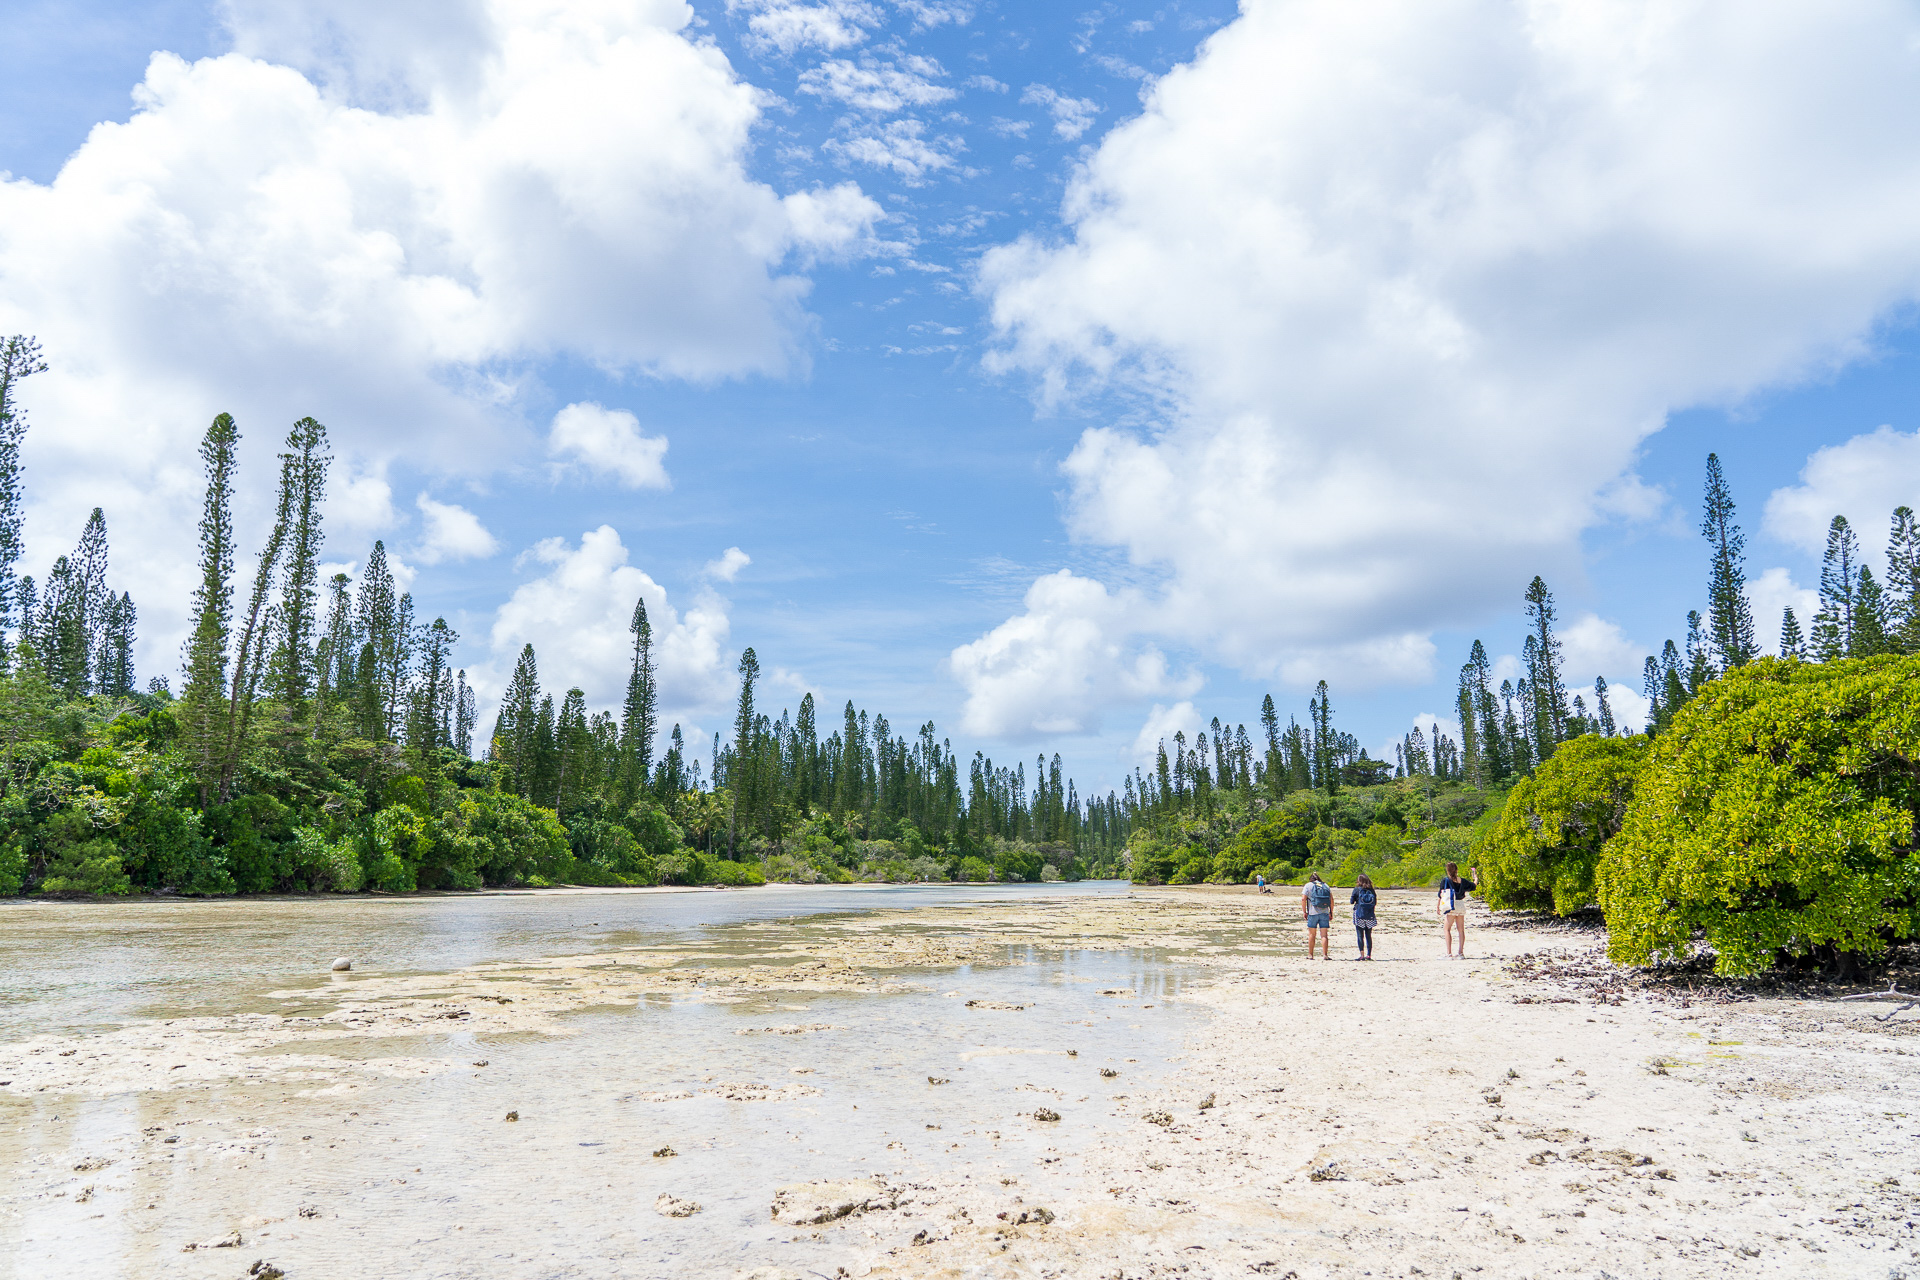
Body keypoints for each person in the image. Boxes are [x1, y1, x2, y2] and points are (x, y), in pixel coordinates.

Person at [1437, 862, 1479, 958]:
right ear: (1456, 870)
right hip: (1460, 905)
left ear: (1448, 871)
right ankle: (1460, 953)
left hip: (1450, 905)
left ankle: (1449, 953)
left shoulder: (1445, 881)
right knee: (1461, 930)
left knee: (1447, 929)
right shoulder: (1462, 881)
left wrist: (1438, 906)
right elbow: (1473, 886)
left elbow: (1440, 894)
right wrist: (1475, 879)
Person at [1301, 872, 1333, 959]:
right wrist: (1331, 912)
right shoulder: (1325, 885)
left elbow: (1303, 899)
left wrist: (1304, 912)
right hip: (1325, 912)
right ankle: (1325, 955)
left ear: (1311, 879)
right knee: (1324, 935)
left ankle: (1310, 955)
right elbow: (1331, 900)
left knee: (1312, 934)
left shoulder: (1308, 885)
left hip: (1312, 912)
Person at [1350, 873, 1378, 960]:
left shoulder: (1357, 889)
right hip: (1370, 915)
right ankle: (1369, 955)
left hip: (1359, 915)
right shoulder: (1372, 890)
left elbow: (1351, 901)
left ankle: (1362, 955)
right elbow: (1375, 902)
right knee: (1368, 935)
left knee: (1360, 935)